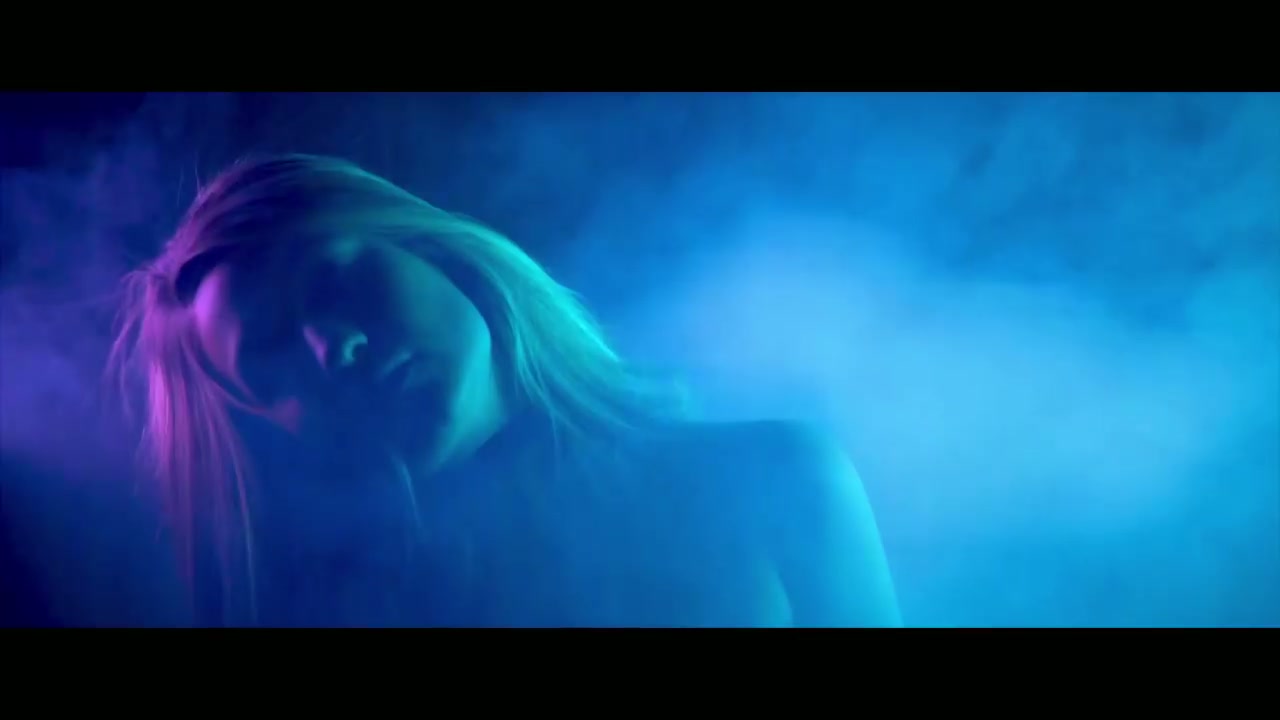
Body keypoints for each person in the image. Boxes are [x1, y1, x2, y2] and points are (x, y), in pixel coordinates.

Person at [108, 154, 902, 627]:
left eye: (333, 280)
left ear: (434, 251)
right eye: (271, 354)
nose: (331, 347)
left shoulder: (771, 476)